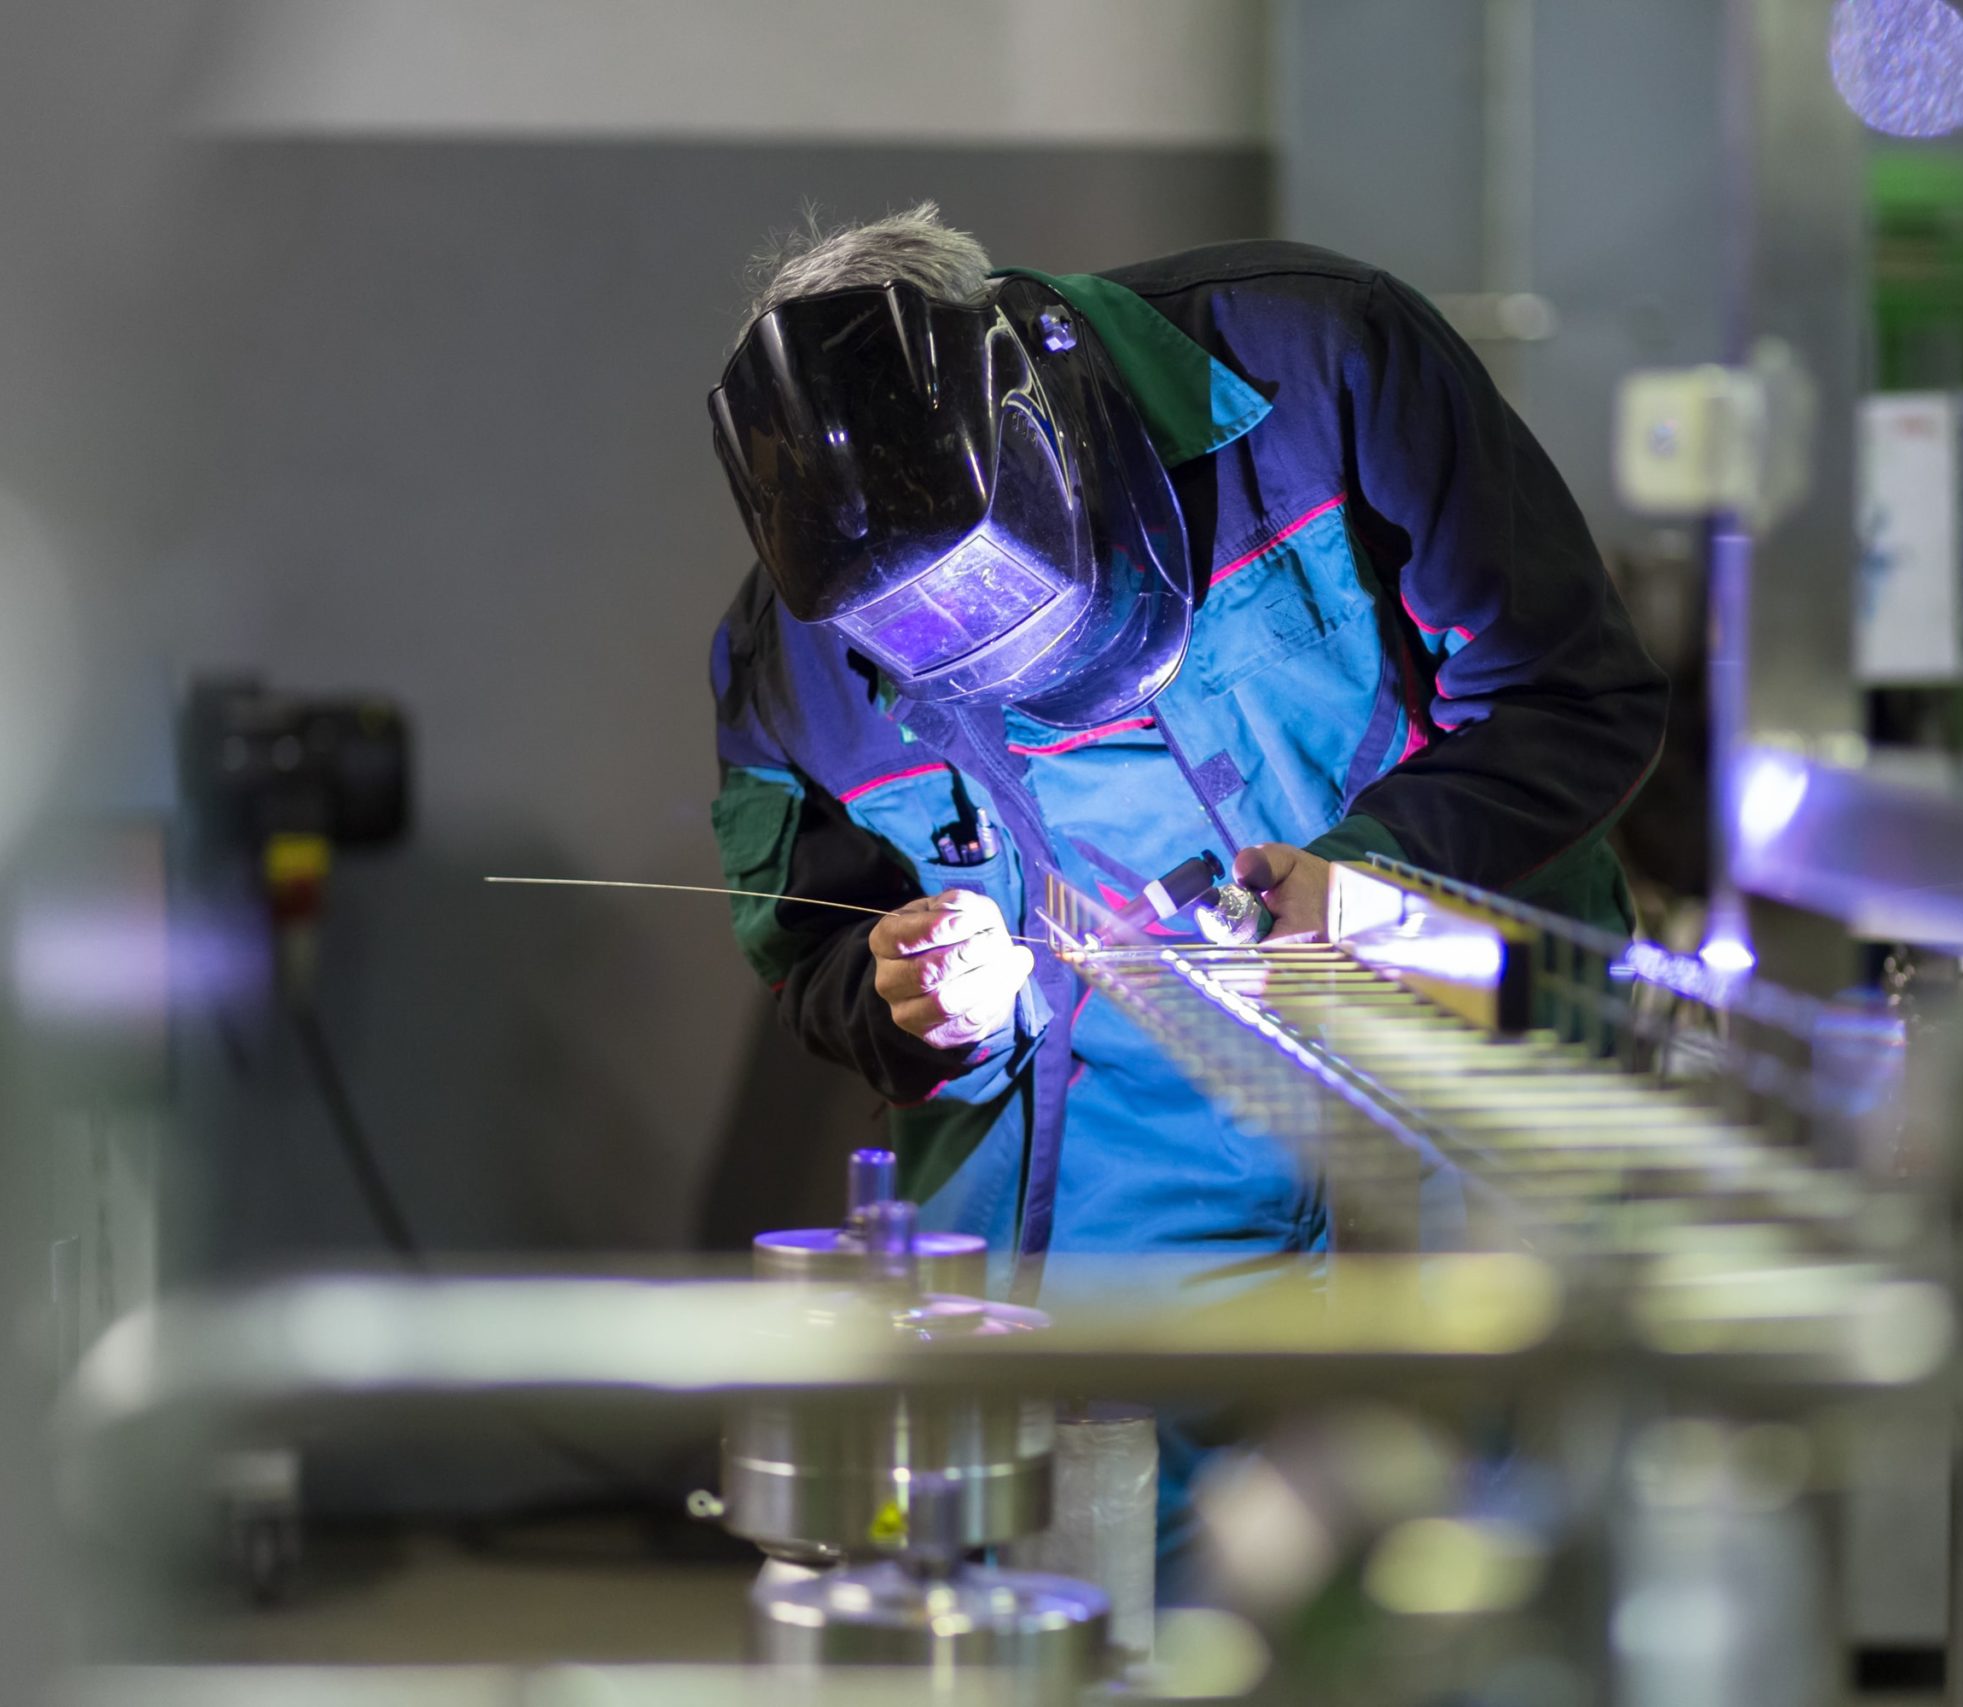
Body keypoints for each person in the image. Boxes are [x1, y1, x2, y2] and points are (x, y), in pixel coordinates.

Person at [704, 203, 1664, 1569]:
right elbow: (809, 945)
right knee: (1126, 1597)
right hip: (1115, 1188)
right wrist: (907, 991)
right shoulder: (789, 669)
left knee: (1496, 1582)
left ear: (1052, 412)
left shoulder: (1321, 369)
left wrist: (1372, 881)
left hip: (1457, 1100)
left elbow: (1577, 695)